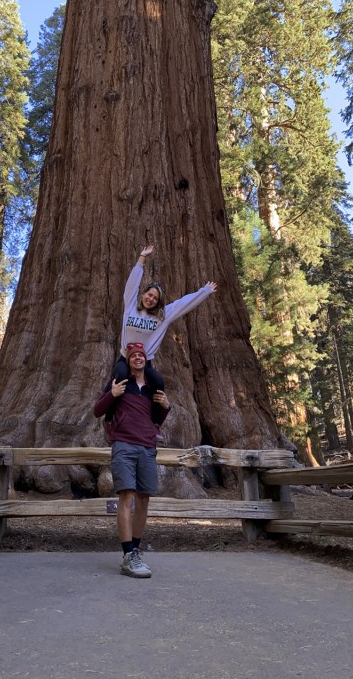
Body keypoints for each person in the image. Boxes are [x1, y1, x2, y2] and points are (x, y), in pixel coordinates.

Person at [104, 244, 217, 421]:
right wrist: (141, 259)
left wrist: (205, 292)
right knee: (119, 376)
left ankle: (155, 422)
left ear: (158, 302)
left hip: (145, 362)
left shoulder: (163, 316)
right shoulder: (131, 307)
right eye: (149, 295)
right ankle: (109, 418)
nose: (151, 299)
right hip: (125, 359)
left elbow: (183, 304)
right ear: (143, 295)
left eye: (155, 298)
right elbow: (131, 285)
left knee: (157, 383)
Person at [94, 342, 170, 578]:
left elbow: (156, 419)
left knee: (144, 499)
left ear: (146, 361)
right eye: (133, 355)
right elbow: (97, 410)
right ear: (127, 360)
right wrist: (112, 394)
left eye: (141, 355)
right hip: (124, 445)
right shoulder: (120, 384)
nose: (137, 358)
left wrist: (166, 407)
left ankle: (135, 550)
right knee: (126, 496)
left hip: (147, 447)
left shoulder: (152, 389)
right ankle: (128, 555)